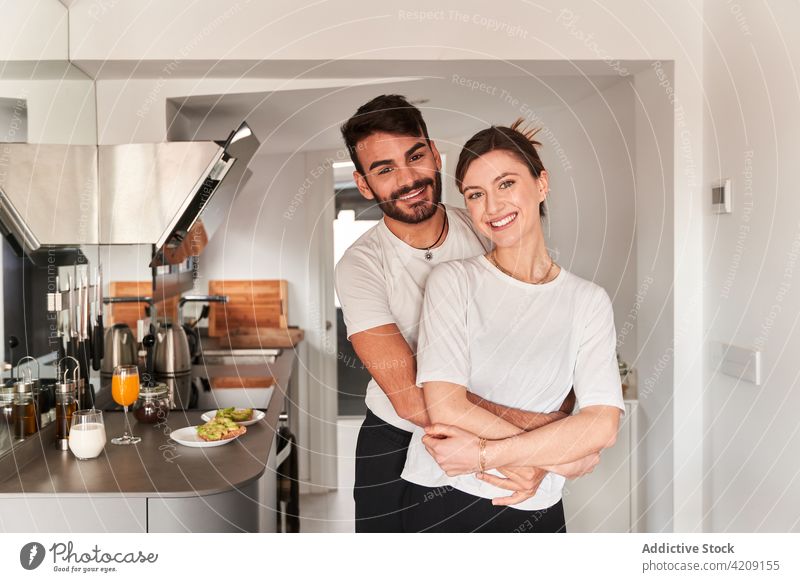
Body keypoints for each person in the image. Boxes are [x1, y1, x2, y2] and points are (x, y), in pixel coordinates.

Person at [335, 96, 594, 533]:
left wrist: (531, 444)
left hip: (501, 431)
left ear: (435, 155)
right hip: (400, 442)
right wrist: (539, 444)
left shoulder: (483, 226)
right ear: (364, 184)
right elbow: (413, 399)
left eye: (415, 157)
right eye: (384, 169)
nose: (408, 178)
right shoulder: (361, 266)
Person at [400, 120, 625, 533]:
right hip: (444, 495)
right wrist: (557, 457)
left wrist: (490, 454)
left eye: (506, 184)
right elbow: (446, 406)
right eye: (476, 194)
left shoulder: (587, 301)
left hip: (535, 501)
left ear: (542, 184)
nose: (492, 206)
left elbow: (602, 422)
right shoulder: (453, 282)